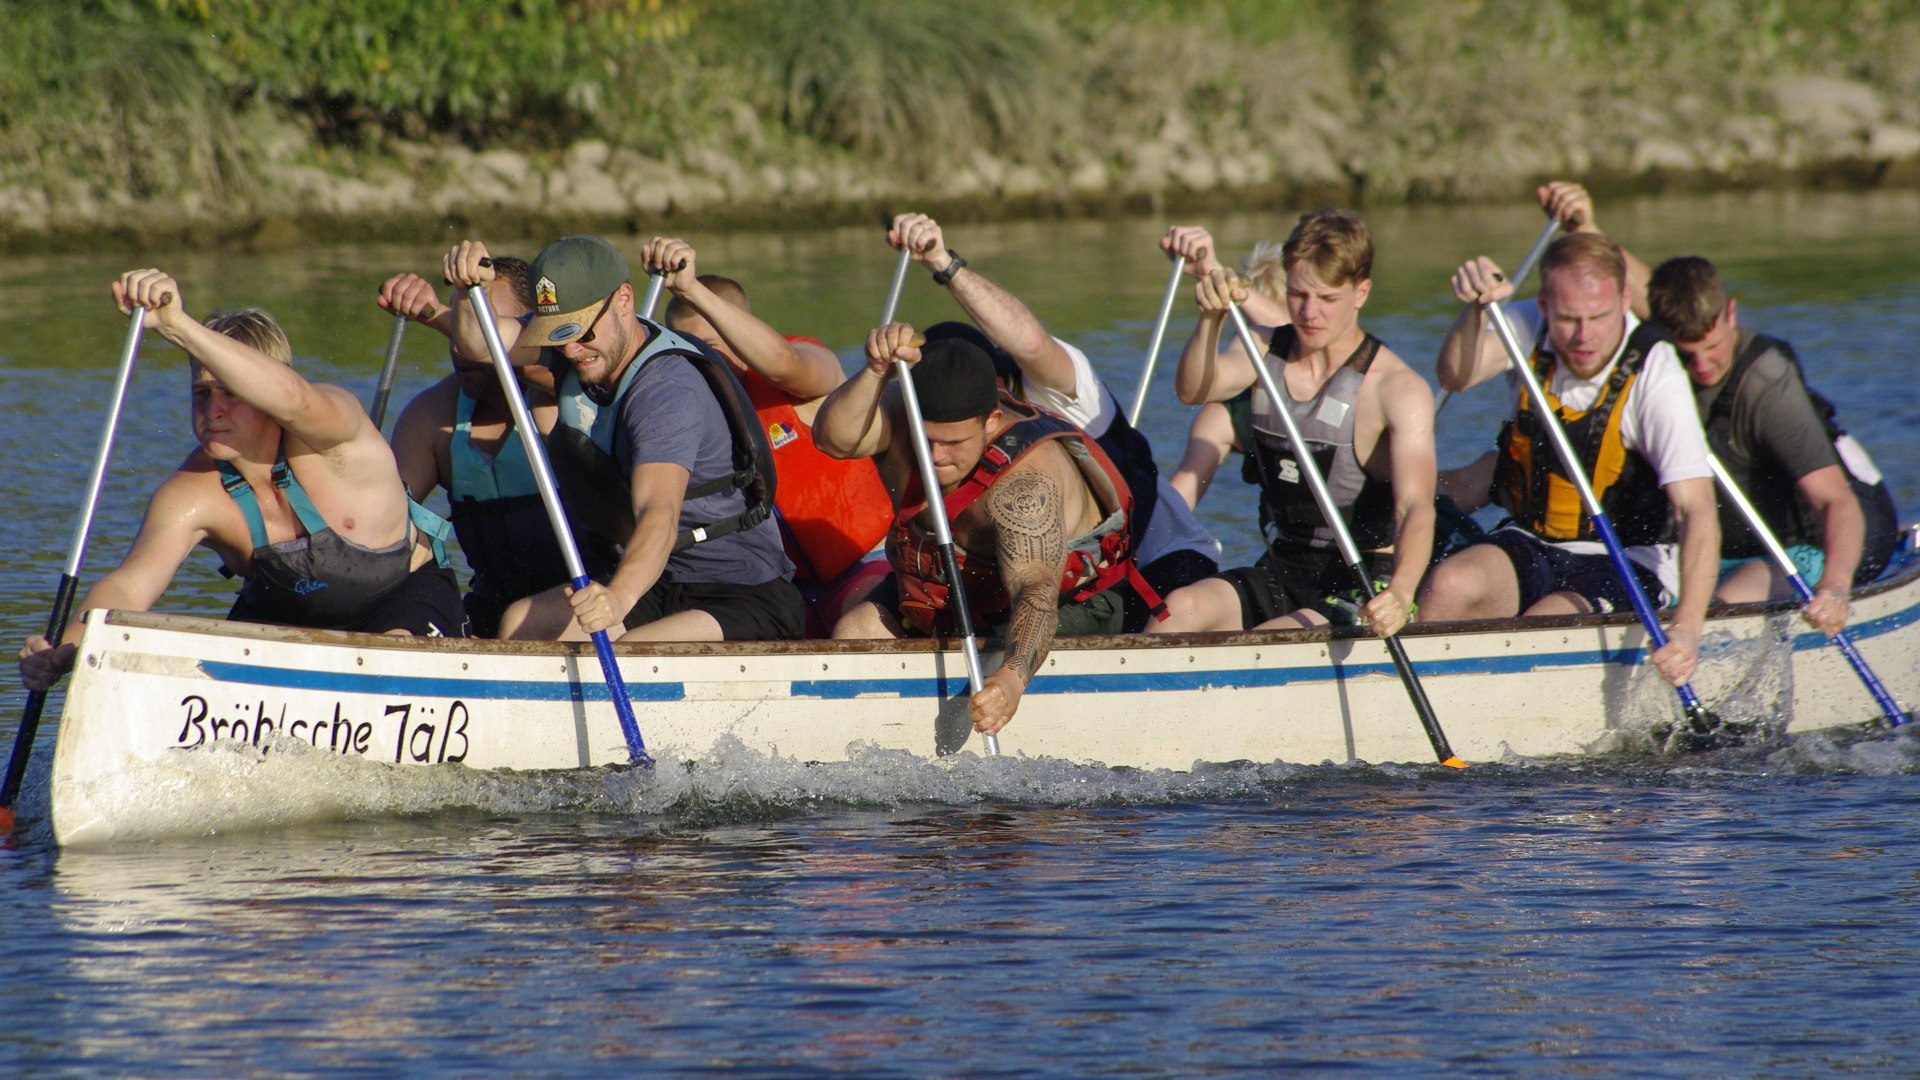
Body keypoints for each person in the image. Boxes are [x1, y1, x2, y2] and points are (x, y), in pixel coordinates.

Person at [19, 269, 465, 690]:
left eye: (231, 392)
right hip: (286, 614)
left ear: (263, 388)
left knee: (394, 652)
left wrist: (176, 323)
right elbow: (129, 587)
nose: (212, 410)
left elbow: (292, 398)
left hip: (403, 600)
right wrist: (69, 646)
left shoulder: (337, 430)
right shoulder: (192, 492)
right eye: (202, 393)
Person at [443, 235, 803, 643]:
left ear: (624, 300)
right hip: (657, 581)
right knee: (524, 622)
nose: (572, 350)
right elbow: (478, 342)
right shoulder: (573, 349)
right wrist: (470, 292)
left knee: (636, 652)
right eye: (557, 335)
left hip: (740, 593)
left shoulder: (667, 392)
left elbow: (658, 513)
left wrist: (618, 596)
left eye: (581, 333)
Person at [884, 212, 1220, 632]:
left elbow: (1030, 342)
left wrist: (941, 261)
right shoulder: (926, 434)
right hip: (1036, 571)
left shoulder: (1056, 386)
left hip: (1154, 561)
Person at [1419, 233, 1720, 687]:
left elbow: (1697, 510)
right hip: (1533, 539)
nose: (1583, 336)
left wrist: (1688, 632)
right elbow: (1455, 376)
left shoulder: (1656, 370)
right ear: (1543, 304)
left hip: (1629, 557)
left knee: (1545, 625)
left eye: (1598, 317)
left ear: (1623, 300)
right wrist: (1476, 309)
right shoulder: (1523, 326)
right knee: (1449, 585)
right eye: (1567, 319)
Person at [814, 329, 1146, 736]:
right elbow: (833, 439)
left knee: (998, 652)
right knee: (857, 627)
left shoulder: (1025, 487)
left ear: (990, 421)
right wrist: (875, 370)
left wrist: (1010, 680)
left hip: (1058, 603)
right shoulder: (905, 412)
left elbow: (1035, 590)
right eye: (927, 439)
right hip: (949, 589)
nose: (935, 457)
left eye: (953, 442)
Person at [1149, 209, 1438, 638]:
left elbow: (1416, 507)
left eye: (1327, 299)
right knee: (1178, 611)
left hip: (1361, 582)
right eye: (1299, 295)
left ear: (1361, 292)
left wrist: (1399, 592)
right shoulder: (1265, 347)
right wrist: (1210, 318)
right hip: (1284, 563)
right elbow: (1193, 390)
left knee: (1264, 645)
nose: (1309, 313)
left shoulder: (1397, 388)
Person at [647, 237, 893, 634]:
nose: (693, 361)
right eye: (680, 347)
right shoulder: (680, 408)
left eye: (706, 346)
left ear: (739, 332)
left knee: (856, 627)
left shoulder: (806, 365)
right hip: (779, 587)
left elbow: (782, 363)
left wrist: (690, 288)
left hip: (866, 563)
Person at [1647, 255, 1898, 635]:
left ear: (1730, 314)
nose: (1701, 367)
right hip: (1728, 542)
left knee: (1719, 611)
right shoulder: (1654, 356)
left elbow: (1836, 501)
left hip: (1816, 539)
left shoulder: (1766, 383)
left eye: (1711, 347)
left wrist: (1834, 589)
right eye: (1686, 354)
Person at [379, 257, 573, 638]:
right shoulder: (434, 416)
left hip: (582, 602)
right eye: (461, 328)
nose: (463, 347)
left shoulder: (565, 398)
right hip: (488, 606)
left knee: (521, 622)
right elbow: (388, 523)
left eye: (482, 327)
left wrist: (435, 311)